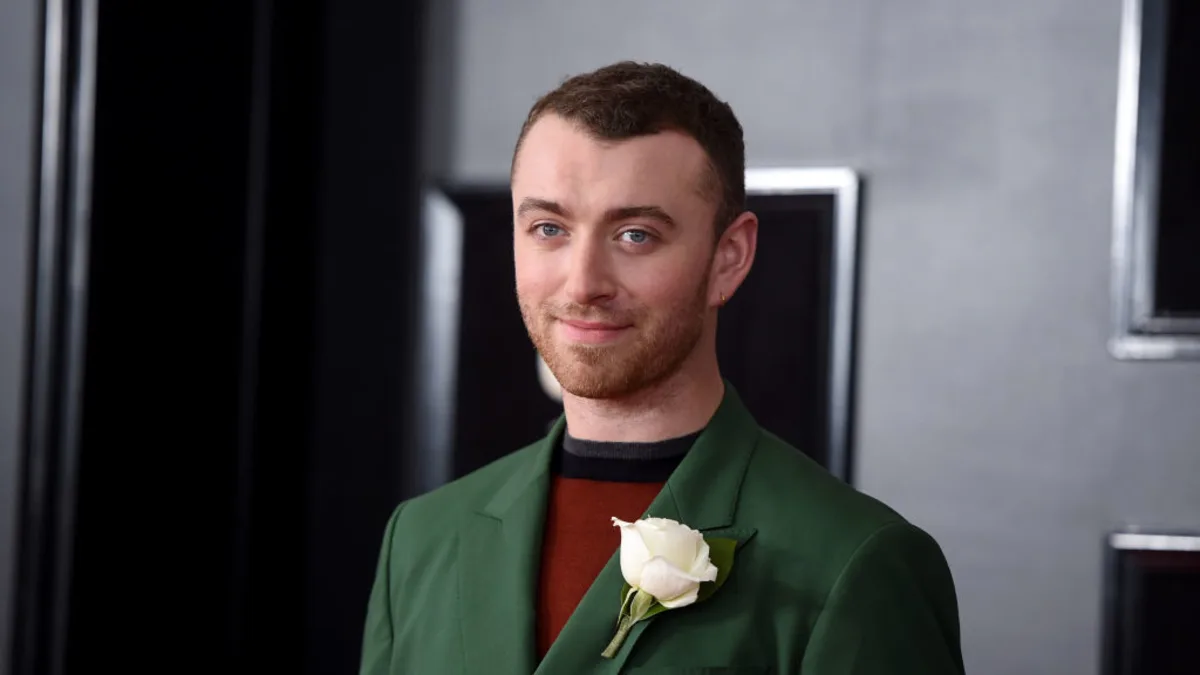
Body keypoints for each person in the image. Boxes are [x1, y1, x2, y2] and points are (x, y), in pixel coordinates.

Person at [358, 61, 965, 674]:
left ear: (729, 257)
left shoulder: (855, 562)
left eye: (636, 236)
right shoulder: (420, 539)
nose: (584, 282)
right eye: (549, 228)